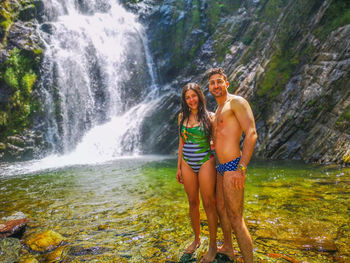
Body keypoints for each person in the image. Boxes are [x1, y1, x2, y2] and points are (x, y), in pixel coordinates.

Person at [206, 67, 257, 263]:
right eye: (212, 83)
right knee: (221, 209)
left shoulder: (236, 102)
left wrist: (241, 168)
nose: (216, 85)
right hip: (221, 168)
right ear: (209, 87)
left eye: (219, 81)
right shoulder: (218, 110)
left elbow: (251, 133)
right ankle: (228, 248)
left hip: (234, 165)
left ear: (226, 83)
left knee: (236, 218)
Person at [176, 82, 218, 263]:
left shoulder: (210, 117)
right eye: (187, 97)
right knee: (193, 202)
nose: (191, 100)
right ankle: (197, 239)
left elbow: (217, 141)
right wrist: (178, 167)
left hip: (205, 161)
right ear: (184, 101)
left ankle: (213, 246)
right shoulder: (181, 117)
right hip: (186, 162)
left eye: (193, 96)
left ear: (200, 96)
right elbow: (181, 143)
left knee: (209, 202)